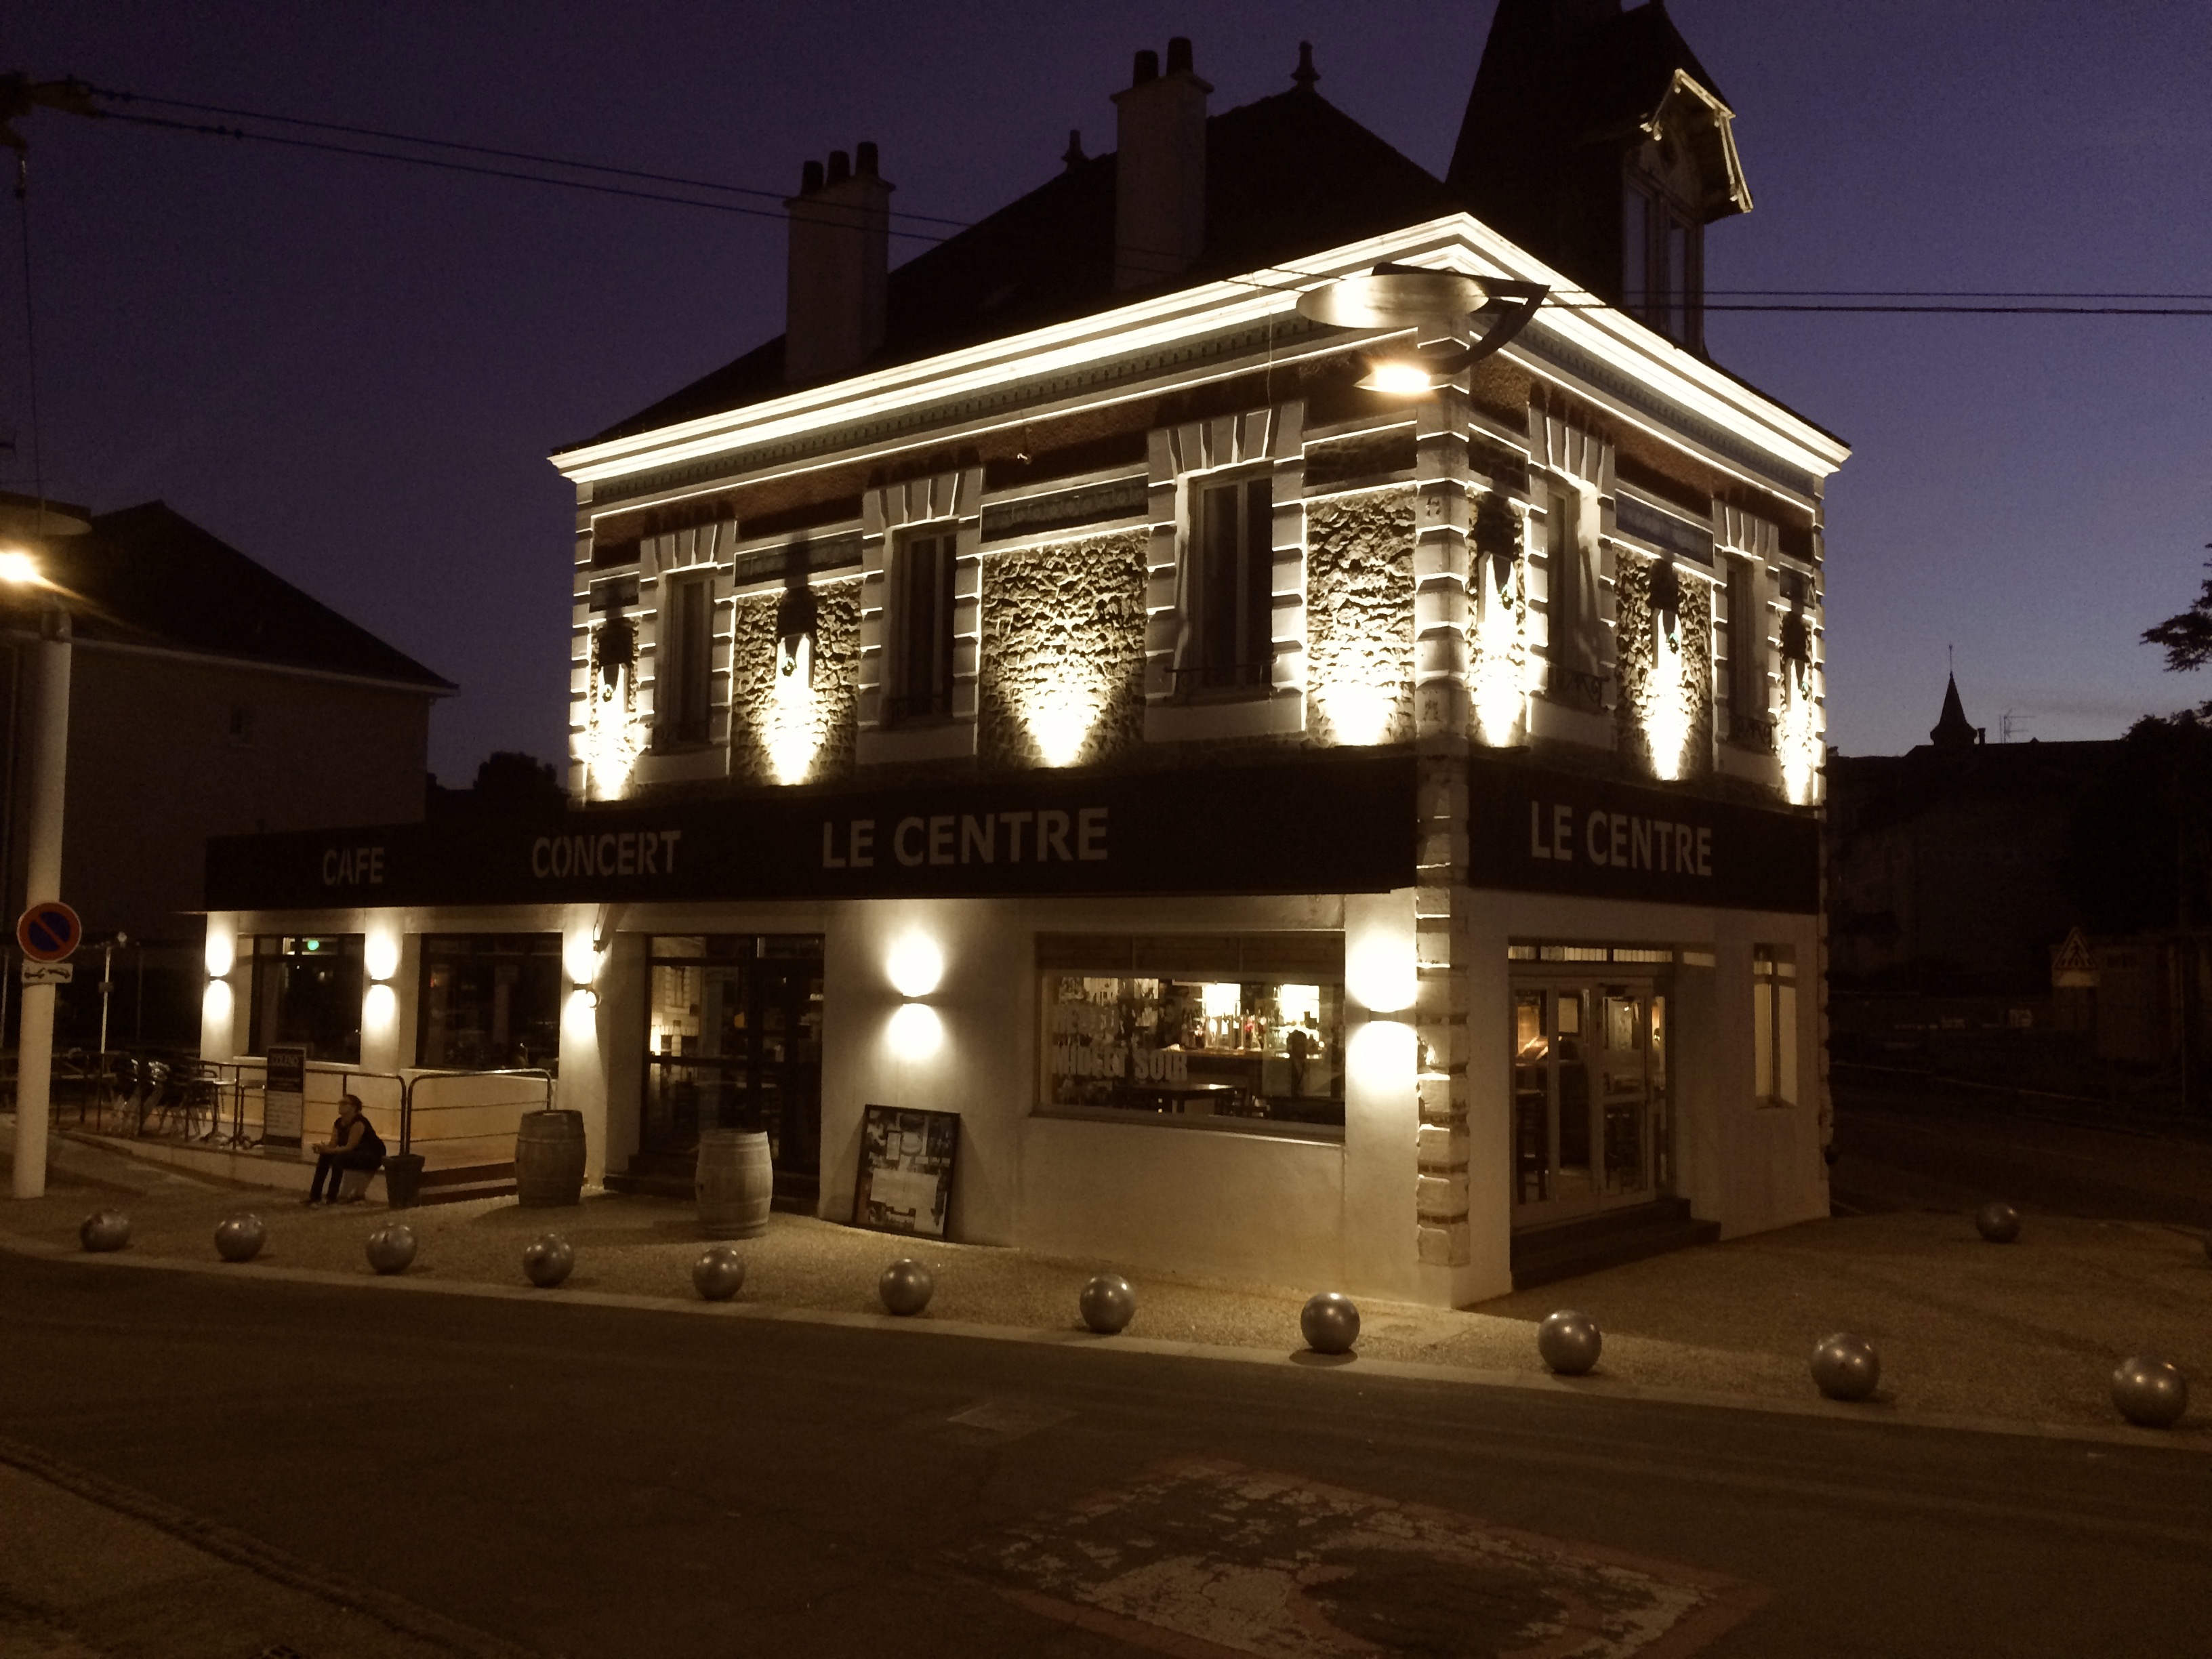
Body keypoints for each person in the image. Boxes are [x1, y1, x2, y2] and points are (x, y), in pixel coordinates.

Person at [304, 1094, 386, 1204]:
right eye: (340, 1103)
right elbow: (333, 1144)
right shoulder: (339, 1122)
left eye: (344, 1103)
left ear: (353, 1107)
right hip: (355, 1152)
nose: (340, 1106)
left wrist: (330, 1150)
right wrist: (323, 1148)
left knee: (339, 1159)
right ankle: (315, 1196)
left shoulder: (359, 1123)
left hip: (372, 1154)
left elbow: (349, 1147)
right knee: (325, 1157)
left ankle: (331, 1197)